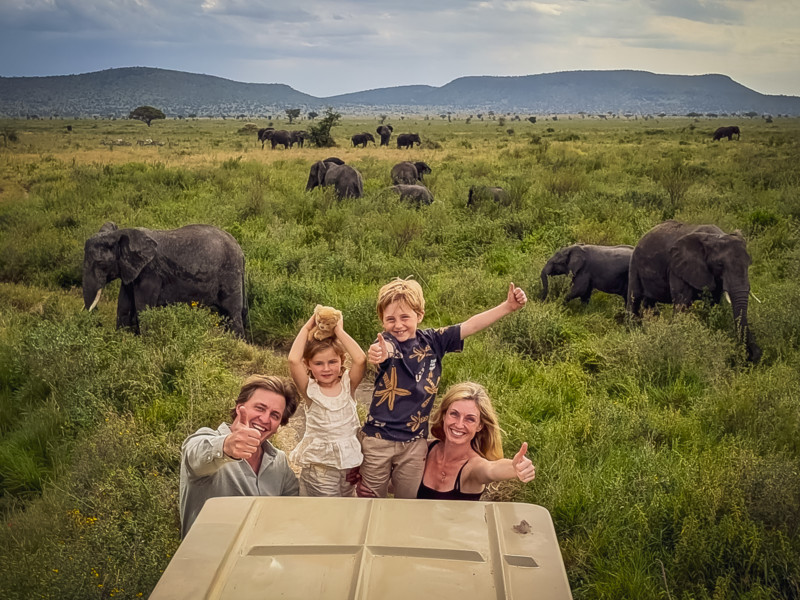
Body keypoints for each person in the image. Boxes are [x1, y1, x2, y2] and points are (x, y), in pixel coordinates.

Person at [355, 277, 528, 499]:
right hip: (378, 439)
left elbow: (470, 325)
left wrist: (507, 307)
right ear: (383, 322)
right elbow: (383, 349)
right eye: (390, 319)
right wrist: (379, 353)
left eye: (405, 317)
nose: (398, 325)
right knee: (370, 499)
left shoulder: (434, 340)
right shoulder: (388, 342)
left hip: (414, 442)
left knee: (408, 502)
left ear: (420, 315)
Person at [179, 375, 300, 538]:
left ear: (278, 426)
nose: (265, 419)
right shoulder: (209, 441)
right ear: (239, 407)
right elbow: (194, 454)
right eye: (260, 408)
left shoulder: (279, 462)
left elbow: (292, 512)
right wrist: (227, 446)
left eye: (275, 415)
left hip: (259, 559)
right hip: (209, 560)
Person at [288, 312, 366, 496]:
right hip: (320, 467)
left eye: (332, 362)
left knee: (348, 508)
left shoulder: (348, 386)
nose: (326, 368)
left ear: (342, 361)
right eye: (318, 363)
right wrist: (308, 327)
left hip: (349, 464)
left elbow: (361, 359)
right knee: (326, 511)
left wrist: (338, 331)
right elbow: (293, 359)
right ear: (308, 364)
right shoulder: (310, 390)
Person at [416, 382, 535, 500]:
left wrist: (514, 468)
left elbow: (491, 470)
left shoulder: (472, 467)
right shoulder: (424, 449)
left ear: (479, 426)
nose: (459, 424)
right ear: (444, 415)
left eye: (470, 419)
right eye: (454, 414)